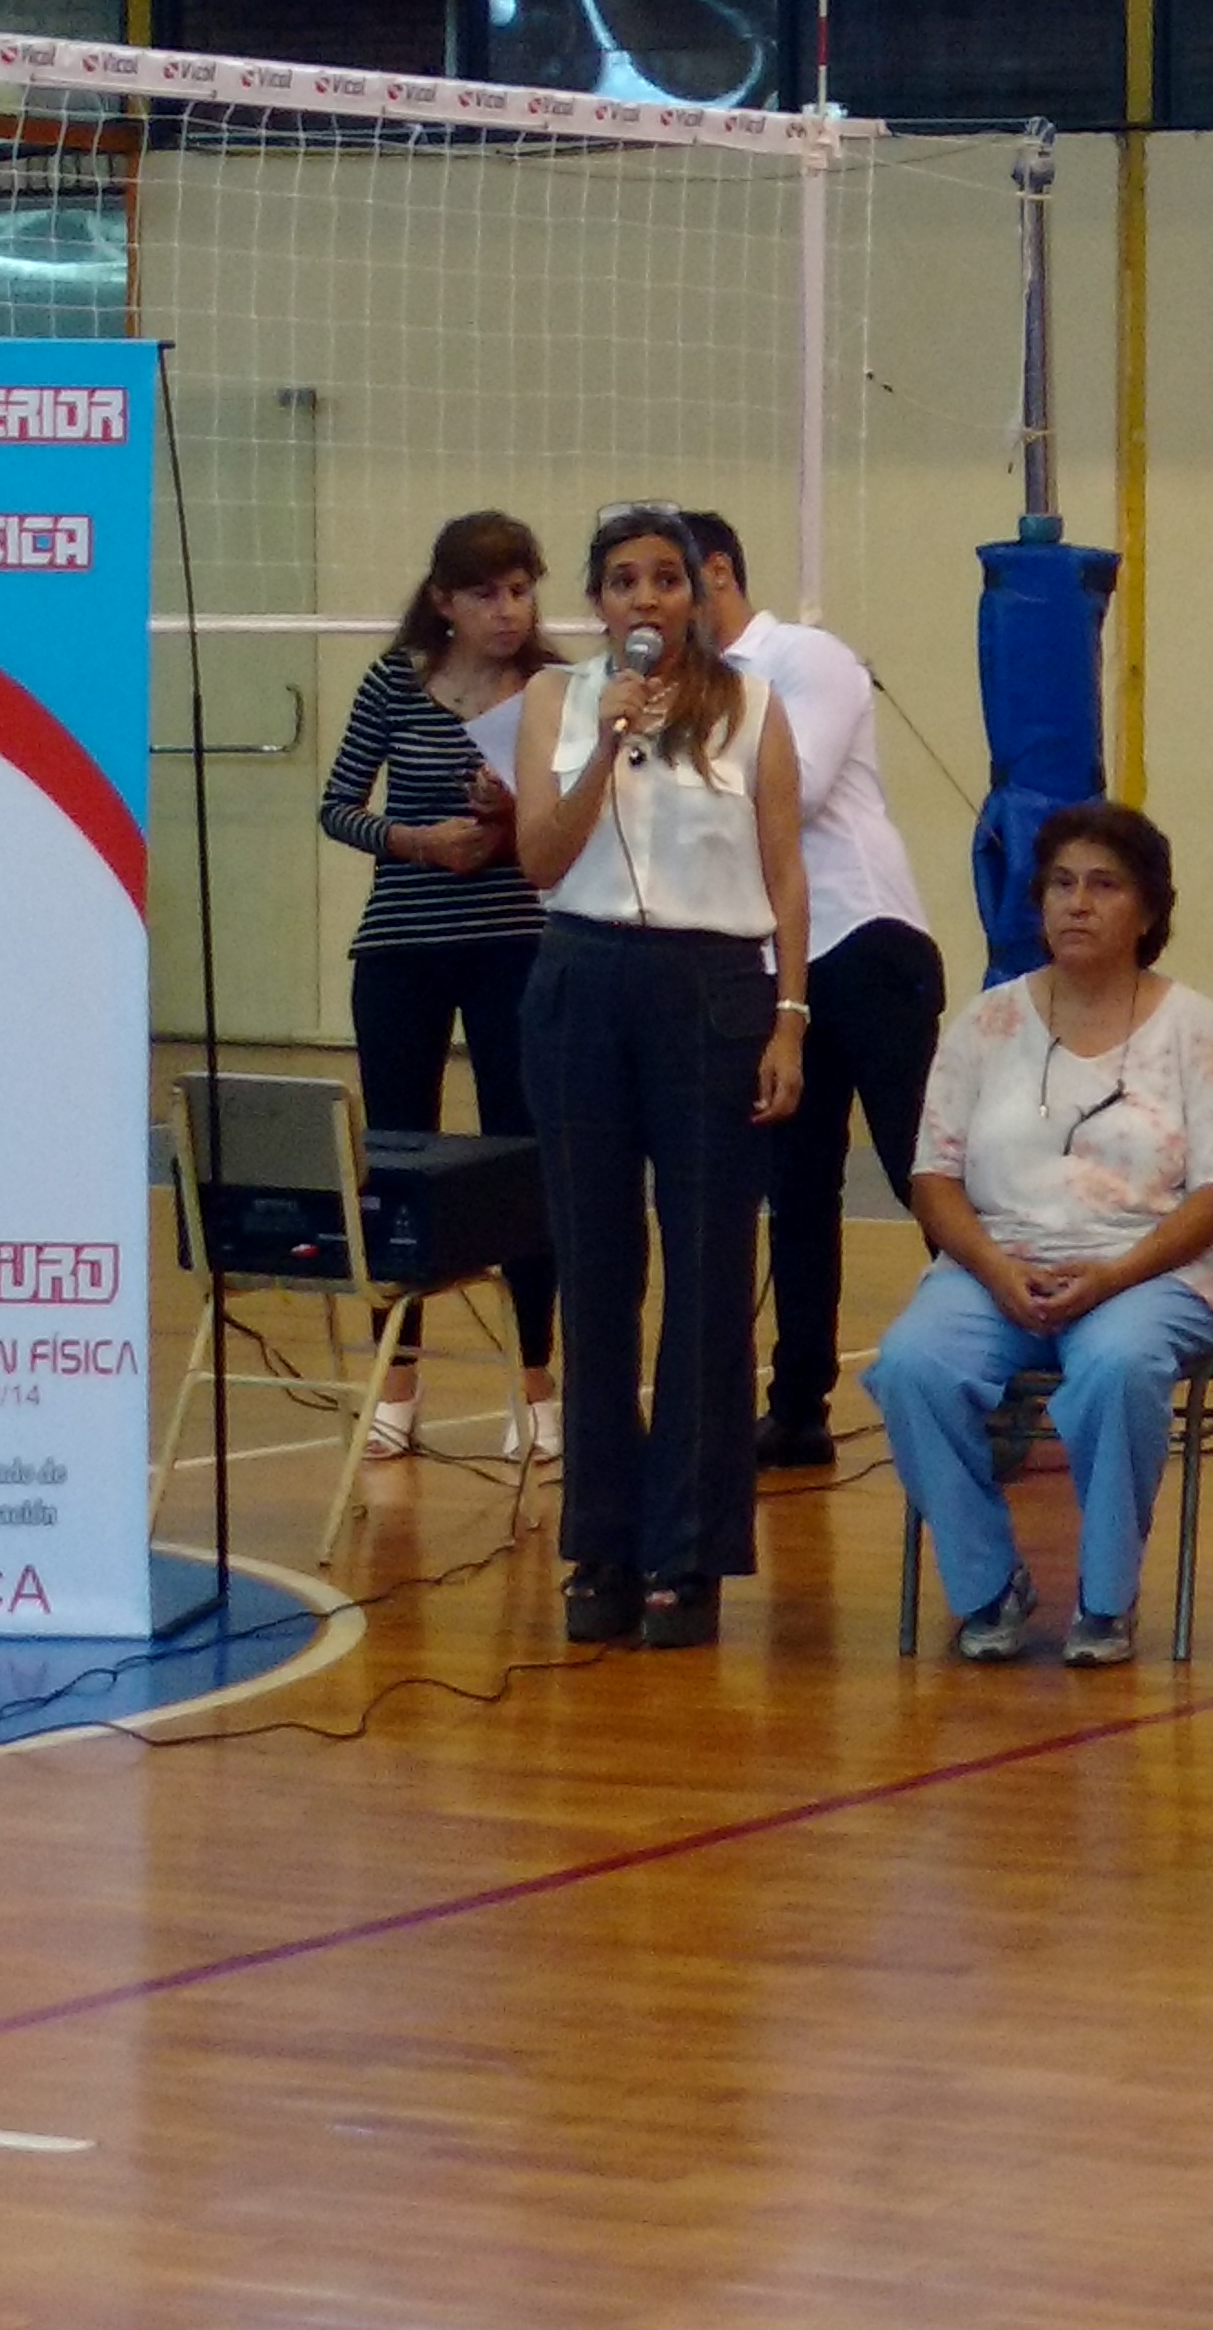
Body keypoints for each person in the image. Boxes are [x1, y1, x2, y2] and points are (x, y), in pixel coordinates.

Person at [862, 800, 1213, 1669]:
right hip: (995, 1268)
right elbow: (933, 1176)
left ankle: (1105, 1600)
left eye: (1105, 886)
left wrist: (1112, 1277)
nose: (1078, 903)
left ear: (1148, 911)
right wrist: (995, 1270)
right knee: (912, 1366)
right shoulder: (987, 1021)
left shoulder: (1197, 1028)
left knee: (1117, 1368)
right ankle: (988, 1586)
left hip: (1149, 1271)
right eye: (1062, 885)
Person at [511, 506, 809, 1652]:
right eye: (624, 581)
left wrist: (788, 1018)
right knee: (595, 1268)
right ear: (597, 601)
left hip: (714, 990)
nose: (646, 600)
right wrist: (600, 738)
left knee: (705, 1271)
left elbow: (785, 869)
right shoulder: (558, 700)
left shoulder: (757, 707)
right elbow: (541, 855)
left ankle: (689, 1550)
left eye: (666, 581)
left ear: (698, 595)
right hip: (583, 981)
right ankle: (602, 1542)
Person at [684, 512, 946, 1475]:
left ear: (714, 573)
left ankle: (1003, 1381)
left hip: (863, 938)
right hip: (765, 962)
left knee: (928, 1173)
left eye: (669, 581)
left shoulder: (805, 658)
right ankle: (797, 1407)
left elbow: (789, 793)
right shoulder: (673, 689)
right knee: (796, 1192)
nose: (651, 607)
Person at [316, 509, 563, 1459]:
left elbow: (577, 816)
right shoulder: (393, 681)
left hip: (512, 943)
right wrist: (416, 841)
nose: (508, 610)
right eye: (486, 593)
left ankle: (536, 1383)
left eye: (521, 589)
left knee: (521, 1150)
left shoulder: (551, 688)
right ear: (443, 602)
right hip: (402, 947)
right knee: (395, 1160)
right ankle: (398, 1380)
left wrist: (507, 823)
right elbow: (338, 805)